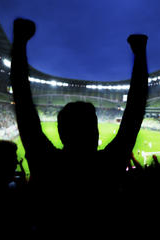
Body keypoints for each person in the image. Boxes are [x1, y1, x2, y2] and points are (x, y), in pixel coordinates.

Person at [10, 18, 148, 197]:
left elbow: (24, 107)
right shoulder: (109, 163)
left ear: (60, 132)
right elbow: (134, 113)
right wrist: (140, 53)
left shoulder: (46, 162)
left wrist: (20, 42)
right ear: (96, 132)